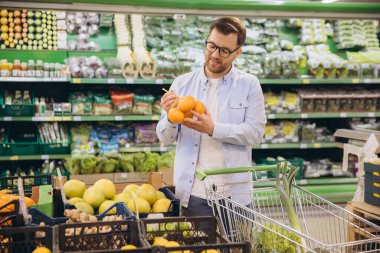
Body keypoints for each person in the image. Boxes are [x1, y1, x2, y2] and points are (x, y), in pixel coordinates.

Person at [156, 16, 266, 218]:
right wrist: (170, 117)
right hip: (193, 194)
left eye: (224, 50)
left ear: (237, 53)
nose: (215, 54)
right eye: (211, 46)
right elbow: (164, 137)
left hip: (236, 196)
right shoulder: (181, 84)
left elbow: (255, 134)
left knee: (237, 249)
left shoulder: (249, 84)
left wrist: (213, 129)